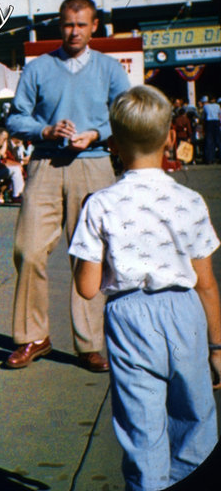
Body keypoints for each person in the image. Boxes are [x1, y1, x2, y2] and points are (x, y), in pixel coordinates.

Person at [69, 85, 221, 490]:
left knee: (142, 429)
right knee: (197, 421)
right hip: (185, 310)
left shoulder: (99, 205)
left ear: (114, 145)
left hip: (130, 315)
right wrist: (218, 347)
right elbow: (206, 283)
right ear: (171, 136)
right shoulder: (190, 201)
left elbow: (87, 288)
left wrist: (83, 249)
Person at [4, 0, 130, 372]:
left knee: (89, 256)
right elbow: (15, 119)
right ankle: (33, 337)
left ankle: (89, 343)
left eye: (81, 24)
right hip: (44, 163)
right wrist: (44, 128)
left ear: (94, 27)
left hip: (93, 167)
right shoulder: (39, 68)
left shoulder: (109, 69)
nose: (74, 31)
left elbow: (124, 113)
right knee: (28, 250)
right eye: (67, 24)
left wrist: (95, 133)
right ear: (58, 26)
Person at [201, 95, 221, 164]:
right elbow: (219, 115)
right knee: (218, 141)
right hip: (216, 122)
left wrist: (203, 128)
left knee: (209, 142)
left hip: (209, 123)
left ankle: (209, 159)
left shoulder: (205, 106)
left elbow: (203, 117)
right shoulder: (218, 106)